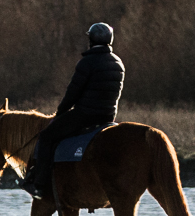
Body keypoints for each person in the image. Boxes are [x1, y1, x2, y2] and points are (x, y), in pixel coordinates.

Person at [24, 23, 125, 197]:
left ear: (91, 40)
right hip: (108, 116)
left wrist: (60, 112)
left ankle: (39, 185)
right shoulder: (118, 63)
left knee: (47, 136)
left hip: (86, 115)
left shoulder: (87, 62)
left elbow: (73, 93)